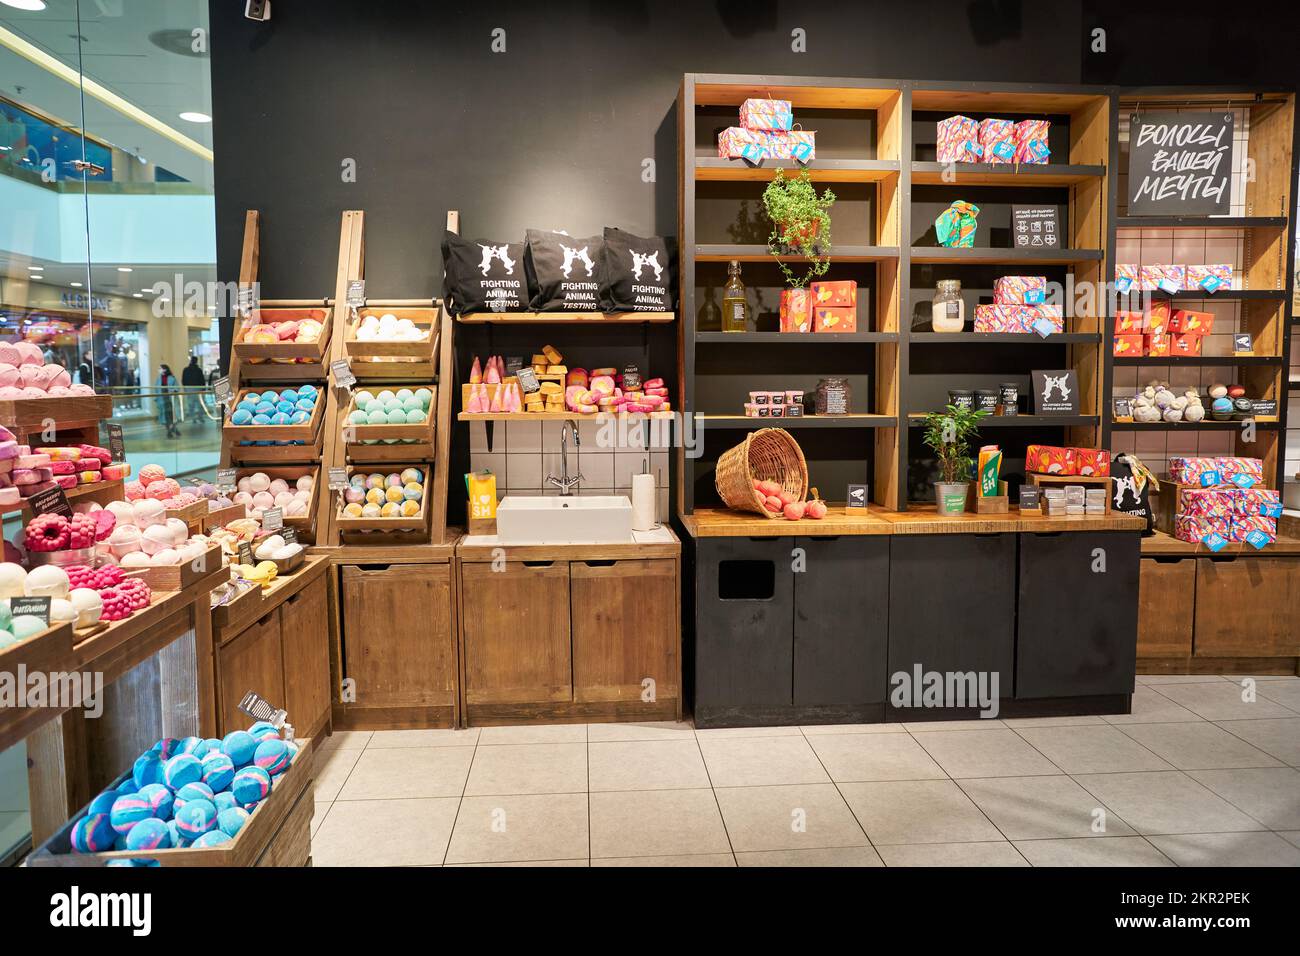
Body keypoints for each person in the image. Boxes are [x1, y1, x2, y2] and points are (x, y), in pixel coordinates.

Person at [157, 364, 180, 439]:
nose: (159, 370)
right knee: (165, 417)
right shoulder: (158, 379)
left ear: (165, 369)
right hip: (162, 400)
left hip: (170, 399)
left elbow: (177, 387)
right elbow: (156, 389)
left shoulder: (172, 378)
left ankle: (170, 431)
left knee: (172, 416)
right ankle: (171, 430)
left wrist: (172, 390)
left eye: (160, 368)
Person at [181, 355, 205, 424]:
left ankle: (193, 418)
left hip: (189, 389)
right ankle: (200, 417)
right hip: (198, 389)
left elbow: (183, 380)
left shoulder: (186, 370)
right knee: (200, 404)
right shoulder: (199, 370)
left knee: (191, 404)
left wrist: (185, 388)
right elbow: (202, 380)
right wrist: (203, 389)